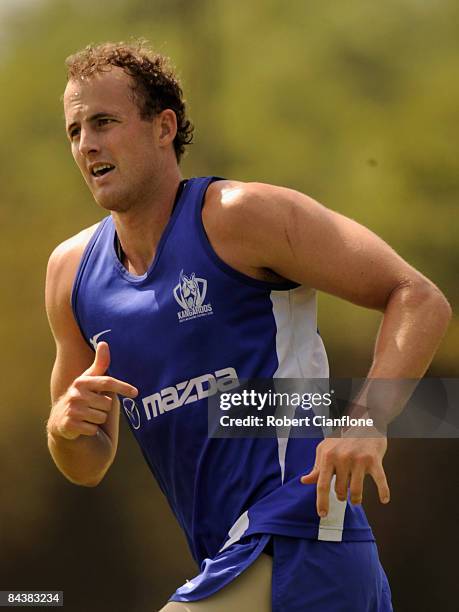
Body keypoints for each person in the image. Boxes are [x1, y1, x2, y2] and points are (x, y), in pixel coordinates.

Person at [45, 41, 451, 612]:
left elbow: (419, 297)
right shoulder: (71, 276)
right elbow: (86, 465)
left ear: (164, 127)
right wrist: (66, 428)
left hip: (303, 537)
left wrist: (367, 419)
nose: (87, 144)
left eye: (105, 122)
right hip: (239, 563)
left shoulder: (239, 218)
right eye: (74, 130)